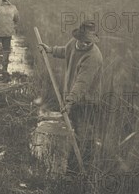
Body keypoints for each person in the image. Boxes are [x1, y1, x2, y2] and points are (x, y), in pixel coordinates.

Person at [38, 21, 103, 163]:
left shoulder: (93, 57)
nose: (85, 44)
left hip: (87, 100)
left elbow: (82, 82)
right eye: (83, 41)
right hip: (73, 97)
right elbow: (66, 51)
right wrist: (50, 50)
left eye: (88, 42)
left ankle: (83, 166)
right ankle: (74, 163)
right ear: (78, 37)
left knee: (85, 135)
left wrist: (69, 101)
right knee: (75, 131)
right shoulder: (73, 43)